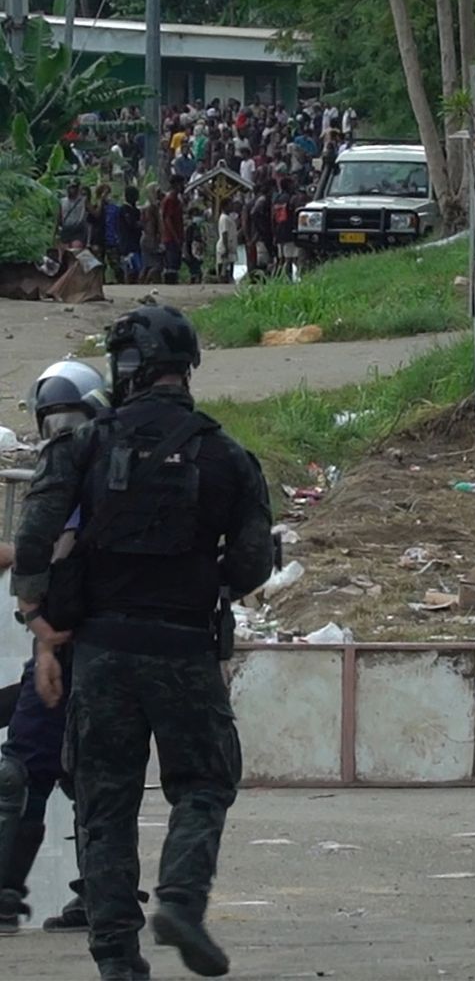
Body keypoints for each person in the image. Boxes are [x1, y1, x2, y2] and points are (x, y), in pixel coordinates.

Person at [12, 305, 273, 980]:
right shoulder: (226, 453)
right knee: (206, 783)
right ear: (187, 369)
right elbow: (251, 563)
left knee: (105, 805)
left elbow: (37, 534)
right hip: (185, 646)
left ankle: (117, 961)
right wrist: (201, 582)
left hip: (100, 653)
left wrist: (39, 619)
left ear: (125, 367)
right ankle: (182, 898)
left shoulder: (86, 445)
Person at [0, 364, 111, 938]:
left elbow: (49, 550)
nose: (61, 431)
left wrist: (41, 633)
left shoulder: (75, 472)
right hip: (110, 645)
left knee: (26, 772)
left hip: (66, 641)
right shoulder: (126, 469)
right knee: (91, 777)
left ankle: (6, 896)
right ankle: (101, 896)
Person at [161, 175, 185, 286]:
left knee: (175, 262)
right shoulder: (170, 200)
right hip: (171, 237)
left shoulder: (176, 199)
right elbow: (168, 219)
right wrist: (175, 237)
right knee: (172, 263)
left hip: (176, 236)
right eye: (181, 184)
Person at [117, 187, 143, 285]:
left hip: (136, 243)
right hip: (127, 244)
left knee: (137, 269)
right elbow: (131, 224)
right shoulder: (124, 210)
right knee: (130, 268)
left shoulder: (136, 210)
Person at [215, 201, 239, 284]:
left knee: (231, 261)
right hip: (225, 244)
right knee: (223, 262)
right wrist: (225, 247)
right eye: (229, 205)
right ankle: (220, 278)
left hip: (231, 244)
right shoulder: (224, 218)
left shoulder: (228, 218)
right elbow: (224, 233)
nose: (231, 207)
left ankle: (229, 278)